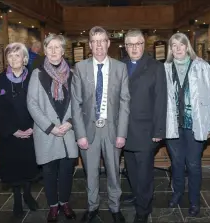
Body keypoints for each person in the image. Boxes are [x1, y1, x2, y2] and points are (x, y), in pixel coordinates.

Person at [71, 26, 130, 223]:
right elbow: (76, 104)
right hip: (88, 130)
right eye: (94, 41)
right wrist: (79, 134)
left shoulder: (120, 68)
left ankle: (115, 207)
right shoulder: (80, 68)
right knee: (91, 173)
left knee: (114, 172)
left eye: (102, 40)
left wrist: (122, 133)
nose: (98, 45)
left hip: (112, 130)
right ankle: (92, 206)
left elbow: (125, 103)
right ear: (89, 44)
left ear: (108, 43)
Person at [164, 33, 210, 217]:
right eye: (174, 45)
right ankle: (177, 193)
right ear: (170, 48)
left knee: (193, 164)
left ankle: (194, 200)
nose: (178, 48)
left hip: (196, 124)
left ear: (188, 47)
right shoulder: (164, 68)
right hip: (172, 125)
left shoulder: (202, 67)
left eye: (181, 45)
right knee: (177, 163)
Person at [27, 34, 78, 222]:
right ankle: (53, 206)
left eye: (58, 47)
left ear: (63, 51)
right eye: (50, 47)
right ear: (45, 51)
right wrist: (50, 127)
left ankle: (64, 202)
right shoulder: (37, 74)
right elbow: (32, 104)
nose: (54, 51)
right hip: (46, 133)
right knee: (49, 173)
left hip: (68, 131)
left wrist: (70, 122)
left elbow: (79, 102)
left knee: (66, 171)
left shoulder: (73, 74)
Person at [121, 29, 167, 223]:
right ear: (125, 46)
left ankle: (143, 208)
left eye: (138, 43)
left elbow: (161, 100)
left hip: (146, 130)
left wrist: (159, 130)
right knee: (130, 169)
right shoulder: (119, 65)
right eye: (130, 44)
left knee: (144, 173)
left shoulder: (156, 67)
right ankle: (136, 194)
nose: (134, 48)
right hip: (124, 129)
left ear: (144, 44)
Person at [0, 42, 39, 217]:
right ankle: (17, 200)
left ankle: (27, 194)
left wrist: (34, 127)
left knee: (28, 168)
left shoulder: (35, 78)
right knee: (13, 169)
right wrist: (13, 131)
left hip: (32, 132)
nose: (14, 58)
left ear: (25, 58)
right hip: (10, 135)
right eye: (10, 55)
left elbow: (41, 105)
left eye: (17, 55)